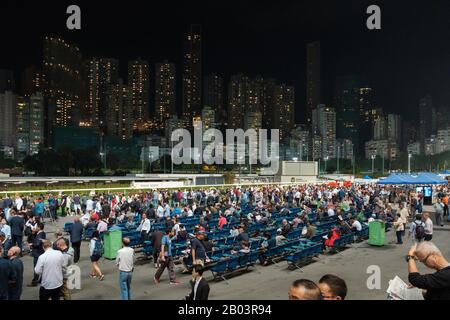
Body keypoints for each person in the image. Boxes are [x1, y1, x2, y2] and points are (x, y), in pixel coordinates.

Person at [29, 222, 46, 286]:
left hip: (37, 253)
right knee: (41, 267)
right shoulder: (42, 233)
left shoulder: (40, 234)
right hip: (40, 252)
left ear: (39, 227)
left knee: (36, 268)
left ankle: (34, 281)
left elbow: (38, 244)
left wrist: (32, 244)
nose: (34, 228)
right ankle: (41, 279)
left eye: (36, 226)